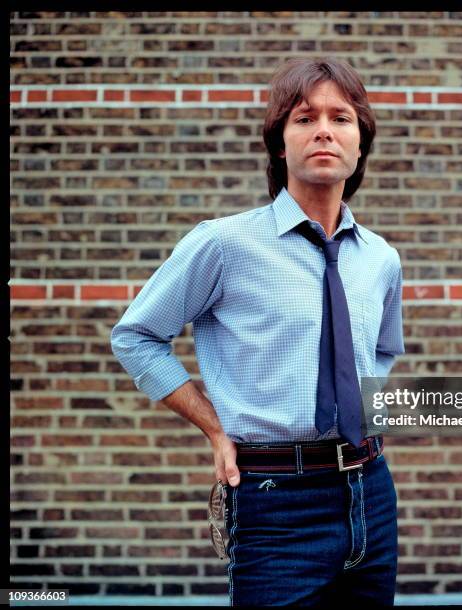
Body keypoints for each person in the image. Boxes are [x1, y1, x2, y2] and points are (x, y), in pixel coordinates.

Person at [111, 56, 405, 607]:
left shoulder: (381, 259)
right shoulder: (223, 245)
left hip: (372, 492)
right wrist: (215, 428)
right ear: (279, 143)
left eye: (341, 118)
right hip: (275, 500)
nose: (323, 129)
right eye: (304, 117)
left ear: (360, 144)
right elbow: (136, 336)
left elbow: (380, 353)